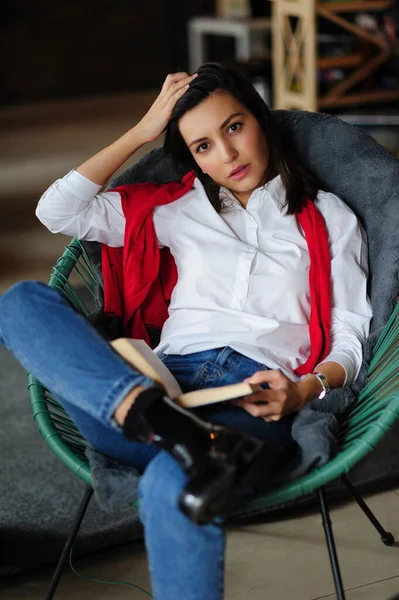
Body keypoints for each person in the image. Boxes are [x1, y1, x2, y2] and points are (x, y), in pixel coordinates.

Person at [0, 62, 372, 599]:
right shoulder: (174, 210)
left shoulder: (328, 216)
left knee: (172, 481)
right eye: (202, 146)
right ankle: (181, 434)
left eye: (234, 127)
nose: (226, 154)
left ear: (260, 120)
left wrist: (304, 389)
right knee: (20, 303)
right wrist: (143, 130)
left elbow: (351, 334)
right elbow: (56, 210)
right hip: (152, 384)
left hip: (252, 395)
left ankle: (187, 444)